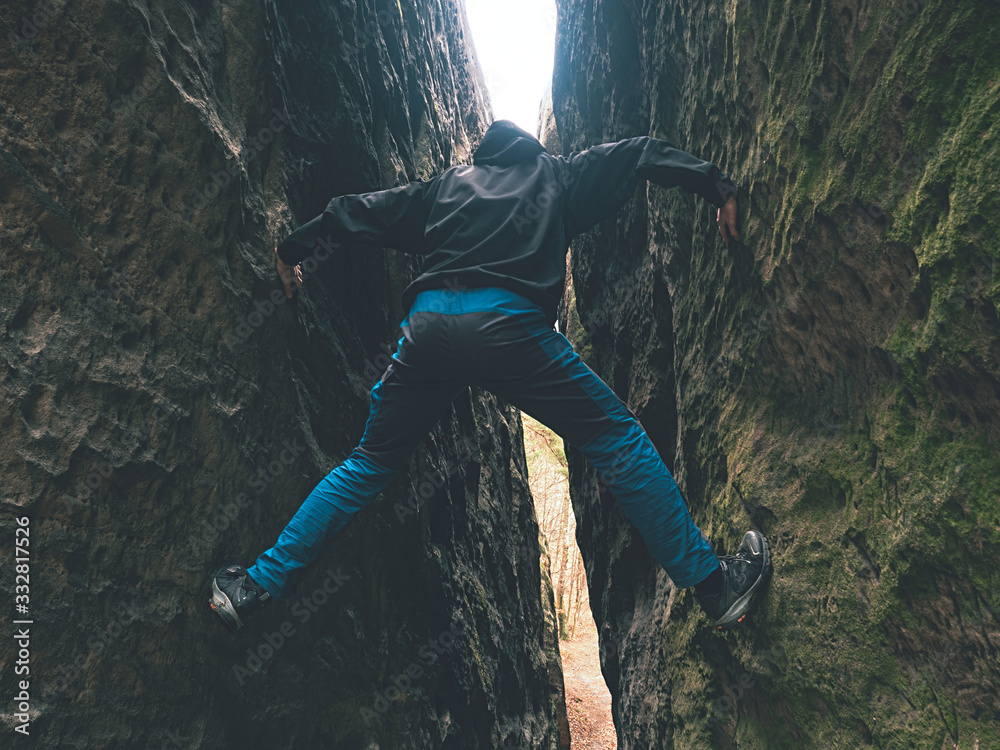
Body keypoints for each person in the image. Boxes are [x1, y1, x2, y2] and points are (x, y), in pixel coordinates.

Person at [209, 120, 772, 634]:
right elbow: (640, 153)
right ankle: (715, 587)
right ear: (531, 148)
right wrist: (716, 185)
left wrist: (292, 249)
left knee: (368, 463)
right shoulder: (555, 174)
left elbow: (358, 211)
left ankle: (253, 586)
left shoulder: (446, 188)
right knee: (616, 440)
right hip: (510, 330)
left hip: (427, 331)